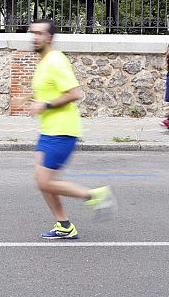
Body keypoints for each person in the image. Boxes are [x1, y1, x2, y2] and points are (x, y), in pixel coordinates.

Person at [26, 18, 115, 240]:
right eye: (32, 32)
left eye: (40, 33)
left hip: (62, 131)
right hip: (49, 130)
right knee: (41, 180)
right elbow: (48, 92)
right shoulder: (43, 61)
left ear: (50, 37)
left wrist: (44, 105)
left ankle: (94, 195)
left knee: (45, 181)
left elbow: (75, 93)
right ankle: (64, 225)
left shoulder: (56, 60)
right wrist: (30, 99)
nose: (35, 37)